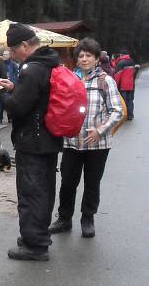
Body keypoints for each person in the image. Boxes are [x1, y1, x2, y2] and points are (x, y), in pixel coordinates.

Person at [0, 23, 62, 261]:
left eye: (13, 50)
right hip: (48, 138)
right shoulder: (49, 62)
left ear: (24, 45)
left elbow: (18, 107)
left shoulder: (31, 69)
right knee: (45, 190)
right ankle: (37, 235)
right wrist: (15, 87)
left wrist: (1, 93)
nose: (11, 55)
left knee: (31, 193)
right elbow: (37, 96)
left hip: (32, 140)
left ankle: (35, 245)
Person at [48, 38, 123, 238]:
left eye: (88, 55)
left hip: (98, 144)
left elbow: (117, 111)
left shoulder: (105, 80)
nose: (84, 59)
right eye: (80, 55)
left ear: (97, 59)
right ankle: (64, 219)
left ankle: (87, 219)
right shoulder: (70, 78)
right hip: (71, 142)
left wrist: (101, 130)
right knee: (67, 182)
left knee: (92, 183)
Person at [113, 49, 136, 120]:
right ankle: (130, 115)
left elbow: (117, 75)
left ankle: (124, 116)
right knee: (130, 100)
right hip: (131, 84)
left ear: (121, 55)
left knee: (124, 100)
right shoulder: (132, 61)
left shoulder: (121, 63)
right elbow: (134, 72)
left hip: (123, 85)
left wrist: (115, 84)